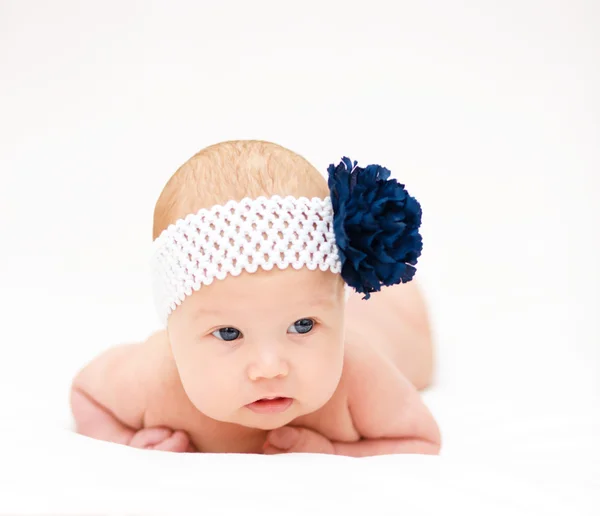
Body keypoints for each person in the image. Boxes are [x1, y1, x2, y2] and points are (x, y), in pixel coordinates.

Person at [70, 140, 441, 456]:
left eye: (303, 325)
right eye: (229, 333)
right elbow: (87, 394)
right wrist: (125, 439)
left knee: (400, 325)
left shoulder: (358, 375)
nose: (269, 367)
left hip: (391, 320)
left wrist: (336, 452)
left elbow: (420, 440)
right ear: (171, 331)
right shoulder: (155, 378)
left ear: (337, 313)